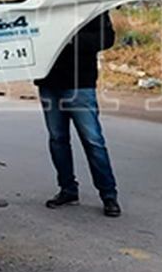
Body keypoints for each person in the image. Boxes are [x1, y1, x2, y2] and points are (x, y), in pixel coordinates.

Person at [37, 11, 121, 217]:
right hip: (49, 82)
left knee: (92, 140)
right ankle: (67, 189)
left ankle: (109, 195)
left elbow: (106, 38)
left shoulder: (91, 6)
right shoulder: (42, 7)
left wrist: (70, 39)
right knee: (58, 139)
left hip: (80, 83)